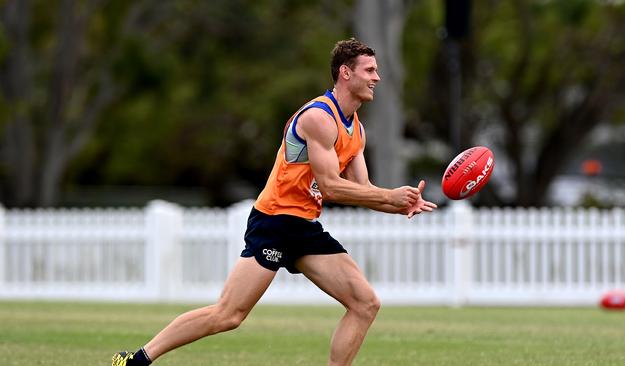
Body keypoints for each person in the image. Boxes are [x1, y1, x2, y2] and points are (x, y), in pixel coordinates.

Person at [112, 38, 437, 366]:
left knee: (365, 304)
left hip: (305, 226)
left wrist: (401, 203)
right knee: (228, 315)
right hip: (275, 222)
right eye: (370, 70)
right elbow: (332, 186)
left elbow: (362, 189)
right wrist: (388, 196)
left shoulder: (357, 131)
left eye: (376, 70)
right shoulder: (319, 118)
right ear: (345, 73)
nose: (376, 77)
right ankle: (136, 360)